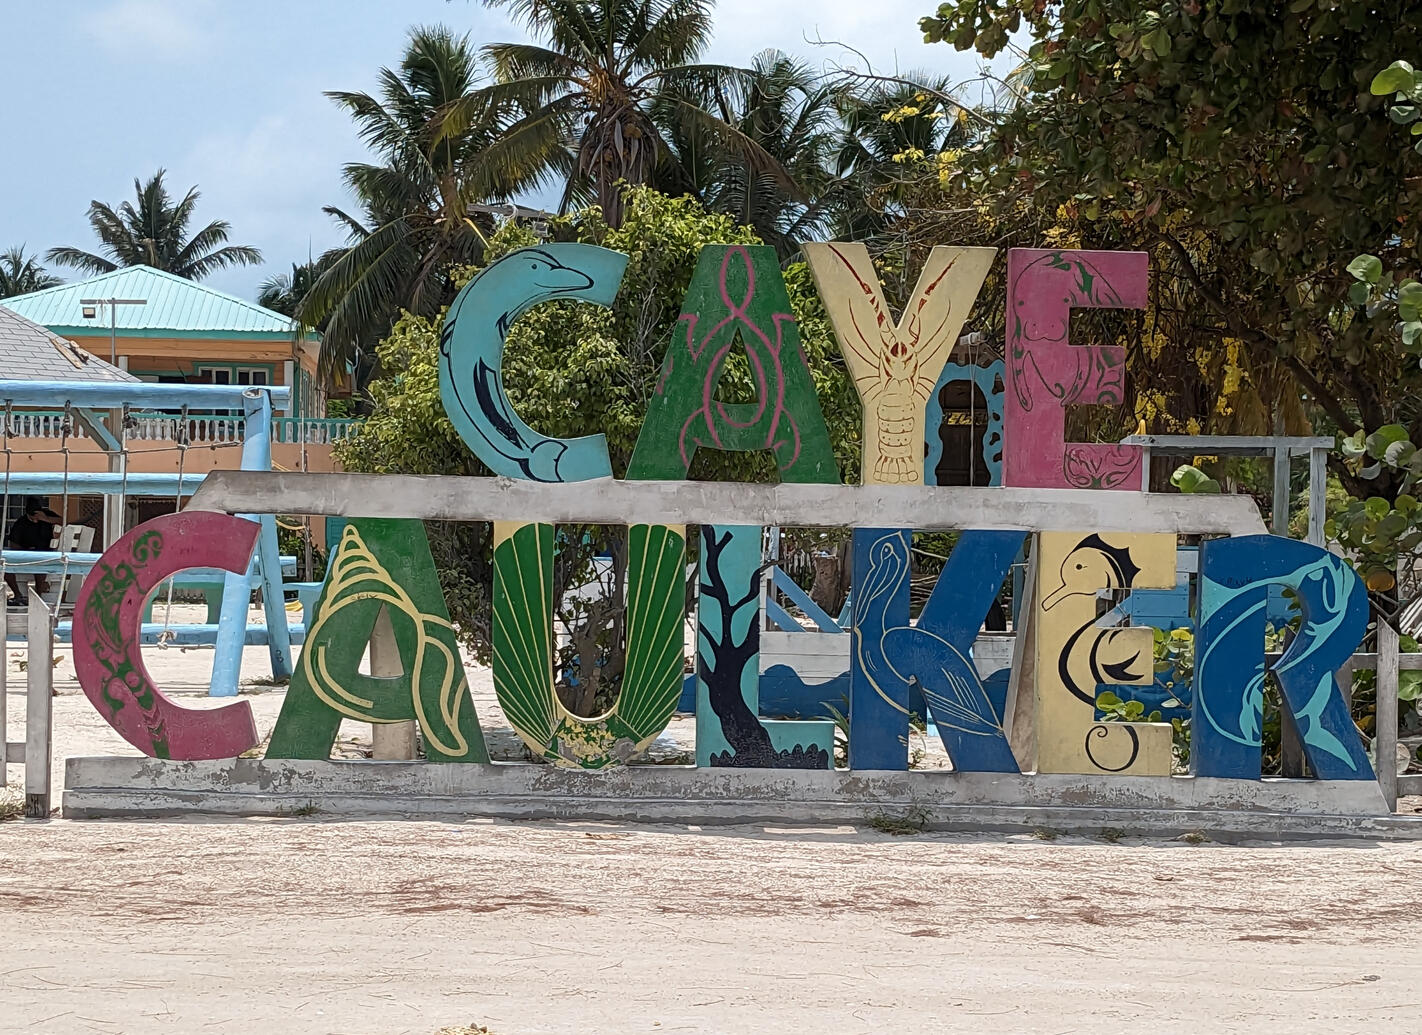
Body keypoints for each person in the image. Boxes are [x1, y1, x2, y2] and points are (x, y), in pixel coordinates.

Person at [6, 497, 61, 605]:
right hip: (26, 552)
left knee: (40, 567)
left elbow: (65, 521)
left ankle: (38, 596)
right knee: (6, 567)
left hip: (45, 553)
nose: (35, 520)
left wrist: (46, 519)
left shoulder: (47, 515)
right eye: (32, 517)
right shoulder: (21, 523)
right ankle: (18, 594)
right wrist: (23, 554)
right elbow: (14, 544)